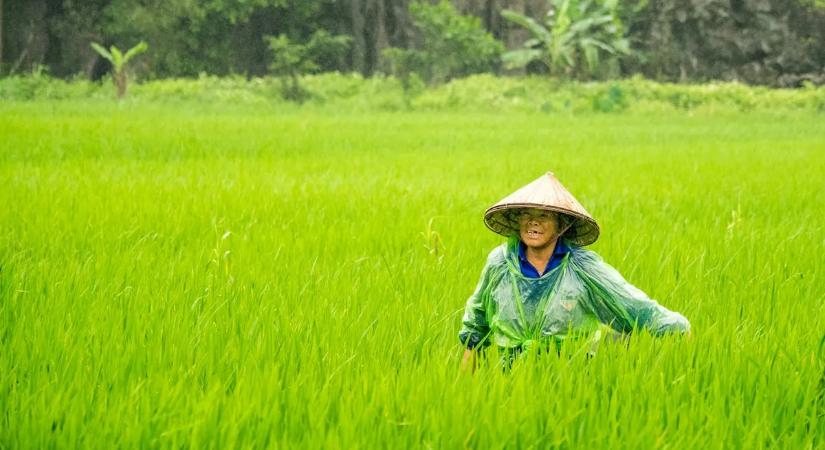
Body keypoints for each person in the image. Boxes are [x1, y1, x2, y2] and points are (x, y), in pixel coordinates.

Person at [459, 172, 691, 371]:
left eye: (543, 215)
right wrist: (466, 388)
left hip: (572, 377)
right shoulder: (500, 263)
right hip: (512, 380)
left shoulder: (582, 268)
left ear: (562, 225)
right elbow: (476, 325)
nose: (533, 222)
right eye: (526, 215)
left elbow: (633, 306)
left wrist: (680, 330)